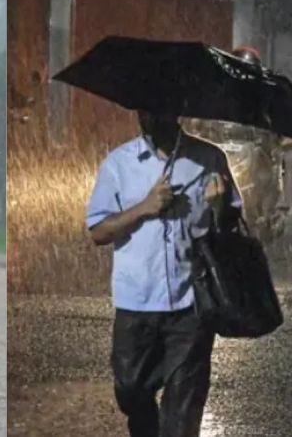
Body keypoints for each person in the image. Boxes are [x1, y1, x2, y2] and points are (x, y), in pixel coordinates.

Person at [86, 110, 242, 436]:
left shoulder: (209, 158)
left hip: (191, 303)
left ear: (176, 108)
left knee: (183, 414)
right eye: (144, 109)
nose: (150, 117)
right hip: (136, 301)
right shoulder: (119, 163)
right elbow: (99, 231)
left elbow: (231, 225)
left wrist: (218, 206)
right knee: (130, 391)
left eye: (158, 107)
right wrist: (144, 207)